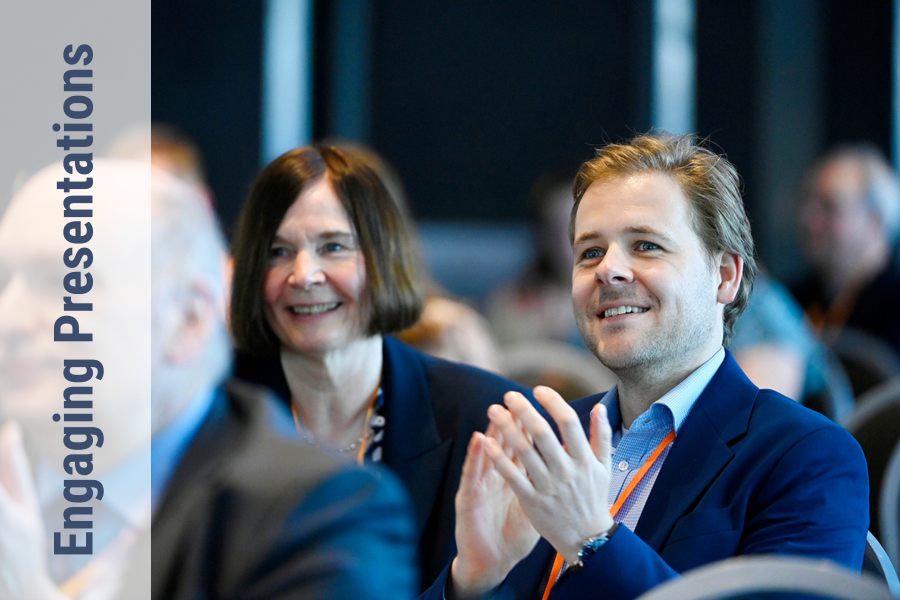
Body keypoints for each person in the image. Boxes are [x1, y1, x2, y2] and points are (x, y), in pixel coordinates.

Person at [433, 134, 869, 600]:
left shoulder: (806, 456)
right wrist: (473, 580)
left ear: (724, 276)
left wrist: (592, 540)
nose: (608, 269)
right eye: (590, 252)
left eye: (645, 246)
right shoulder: (550, 445)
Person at [229, 145, 534, 594]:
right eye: (278, 251)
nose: (303, 275)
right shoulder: (213, 416)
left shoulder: (484, 419)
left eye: (333, 247)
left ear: (383, 258)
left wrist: (467, 585)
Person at [791, 144, 900, 354]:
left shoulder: (894, 308)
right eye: (808, 203)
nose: (808, 220)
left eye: (830, 207)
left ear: (875, 220)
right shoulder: (793, 301)